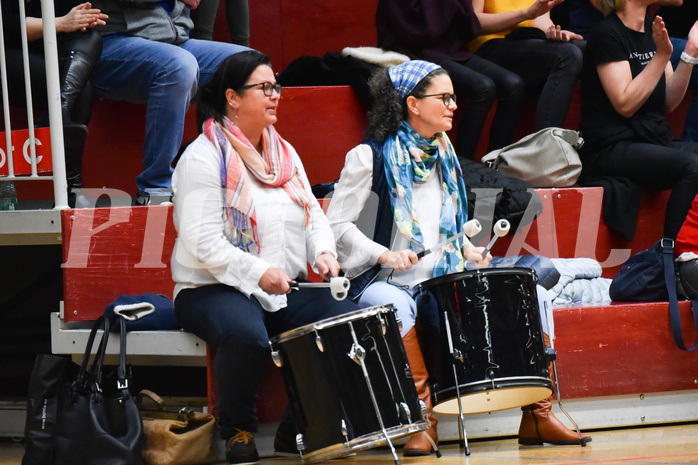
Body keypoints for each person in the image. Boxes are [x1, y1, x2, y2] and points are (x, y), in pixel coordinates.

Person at [326, 60, 590, 456]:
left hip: (446, 276)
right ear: (412, 104)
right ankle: (423, 419)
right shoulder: (369, 157)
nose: (453, 105)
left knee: (532, 293)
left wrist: (467, 249)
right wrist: (384, 252)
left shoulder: (444, 150)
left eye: (454, 97)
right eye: (444, 97)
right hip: (387, 281)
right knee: (390, 304)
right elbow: (337, 226)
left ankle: (538, 414)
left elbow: (448, 218)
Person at [170, 51, 358, 464]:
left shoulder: (285, 154)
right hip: (210, 287)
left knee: (343, 318)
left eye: (277, 87)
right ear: (233, 98)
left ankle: (298, 430)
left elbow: (312, 214)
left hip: (280, 284)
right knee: (245, 335)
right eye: (265, 88)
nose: (276, 95)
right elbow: (202, 243)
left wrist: (323, 253)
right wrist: (258, 272)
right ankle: (237, 431)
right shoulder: (202, 158)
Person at [89, 0, 250, 203]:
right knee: (180, 66)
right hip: (115, 43)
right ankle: (156, 186)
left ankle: (222, 172)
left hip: (176, 41)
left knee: (251, 65)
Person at [580, 0, 698, 239]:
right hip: (610, 145)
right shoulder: (607, 33)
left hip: (649, 136)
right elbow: (625, 104)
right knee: (692, 167)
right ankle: (673, 260)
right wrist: (661, 56)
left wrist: (691, 52)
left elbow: (668, 103)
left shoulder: (649, 27)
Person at [375, 0, 526, 160]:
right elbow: (419, 31)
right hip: (415, 51)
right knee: (483, 87)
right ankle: (464, 166)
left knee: (513, 85)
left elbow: (469, 28)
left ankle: (496, 165)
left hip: (452, 51)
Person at [2, 0, 107, 203]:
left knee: (89, 39)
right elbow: (4, 26)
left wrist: (81, 18)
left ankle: (57, 112)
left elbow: (76, 15)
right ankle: (73, 187)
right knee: (78, 87)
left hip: (46, 49)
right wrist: (59, 23)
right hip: (7, 52)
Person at [469, 0, 584, 131]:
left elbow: (539, 17)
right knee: (568, 55)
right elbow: (474, 22)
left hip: (526, 38)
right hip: (488, 43)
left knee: (591, 49)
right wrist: (525, 14)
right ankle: (545, 144)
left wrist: (552, 32)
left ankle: (599, 144)